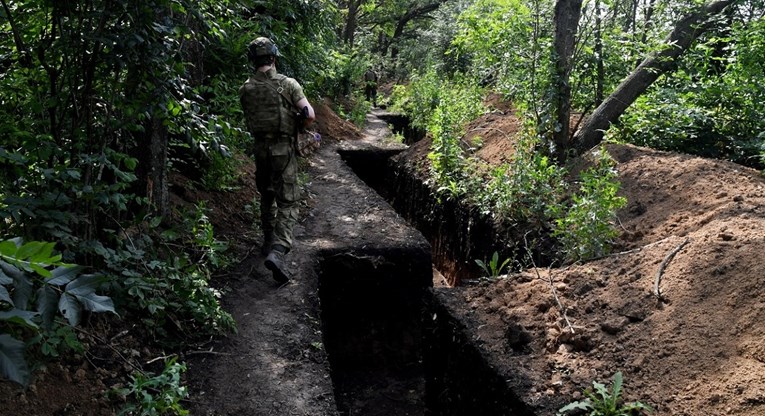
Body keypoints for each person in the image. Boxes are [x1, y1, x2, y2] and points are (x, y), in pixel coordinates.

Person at [239, 37, 315, 284]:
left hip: (260, 149)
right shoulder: (288, 84)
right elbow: (309, 114)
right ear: (273, 57)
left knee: (267, 195)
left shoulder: (246, 88)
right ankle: (279, 251)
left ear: (253, 60)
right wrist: (300, 124)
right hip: (282, 148)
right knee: (288, 201)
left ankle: (267, 241)